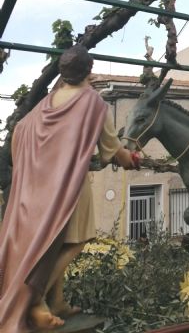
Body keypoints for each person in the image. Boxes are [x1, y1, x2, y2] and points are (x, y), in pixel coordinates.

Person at [0, 45, 136, 332]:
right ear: (89, 70)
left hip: (37, 188)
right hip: (71, 184)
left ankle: (57, 301)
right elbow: (113, 149)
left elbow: (19, 132)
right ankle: (34, 299)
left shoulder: (46, 103)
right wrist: (131, 158)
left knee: (56, 241)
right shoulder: (93, 102)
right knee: (78, 240)